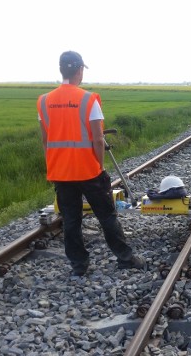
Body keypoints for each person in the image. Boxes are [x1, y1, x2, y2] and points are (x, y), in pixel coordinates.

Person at [37, 50, 144, 276]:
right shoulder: (88, 99)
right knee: (106, 216)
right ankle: (125, 257)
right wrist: (99, 166)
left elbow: (46, 140)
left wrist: (56, 165)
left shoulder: (44, 101)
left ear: (61, 69)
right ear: (79, 70)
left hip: (61, 173)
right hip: (89, 171)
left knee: (71, 220)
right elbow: (97, 138)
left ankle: (79, 266)